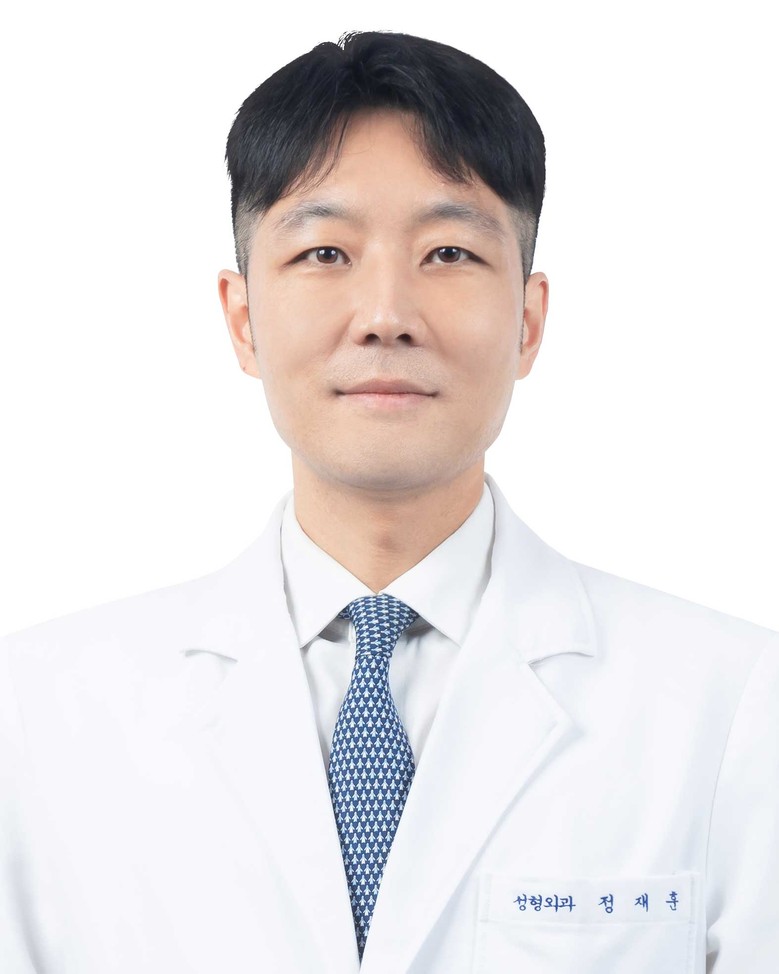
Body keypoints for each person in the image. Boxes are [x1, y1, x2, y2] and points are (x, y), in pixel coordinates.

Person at [0, 28, 776, 974]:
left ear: (528, 322)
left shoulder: (732, 706)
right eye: (324, 252)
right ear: (242, 320)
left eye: (447, 253)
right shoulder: (40, 713)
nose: (384, 316)